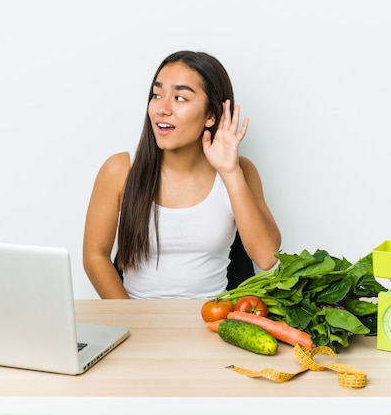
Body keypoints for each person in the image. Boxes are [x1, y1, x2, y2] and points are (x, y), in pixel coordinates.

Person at [83, 50, 281, 299]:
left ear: (211, 115)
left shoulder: (241, 170)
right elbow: (95, 257)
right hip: (136, 323)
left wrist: (230, 172)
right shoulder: (119, 170)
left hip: (212, 323)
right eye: (157, 95)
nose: (162, 108)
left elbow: (267, 257)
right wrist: (133, 322)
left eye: (180, 98)